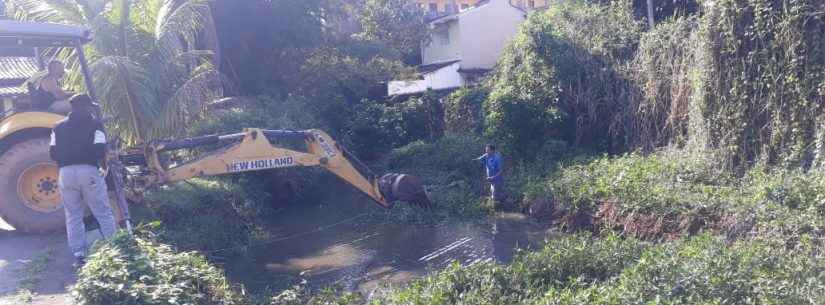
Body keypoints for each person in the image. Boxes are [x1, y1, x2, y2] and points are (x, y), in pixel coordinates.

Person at [50, 94, 116, 268]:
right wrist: (102, 167)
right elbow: (100, 150)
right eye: (90, 107)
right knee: (102, 211)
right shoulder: (96, 125)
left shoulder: (57, 127)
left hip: (65, 174)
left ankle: (79, 255)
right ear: (86, 107)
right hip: (88, 171)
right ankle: (115, 248)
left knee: (73, 215)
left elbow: (53, 154)